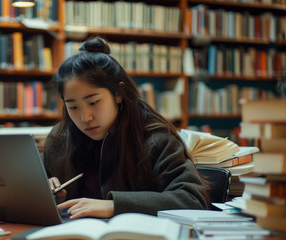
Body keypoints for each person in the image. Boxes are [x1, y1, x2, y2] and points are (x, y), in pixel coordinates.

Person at [43, 37, 210, 220]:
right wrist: (50, 193)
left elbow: (193, 200)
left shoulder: (156, 139)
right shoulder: (59, 140)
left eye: (93, 102)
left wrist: (115, 206)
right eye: (73, 107)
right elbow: (45, 194)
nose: (85, 118)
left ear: (118, 95)